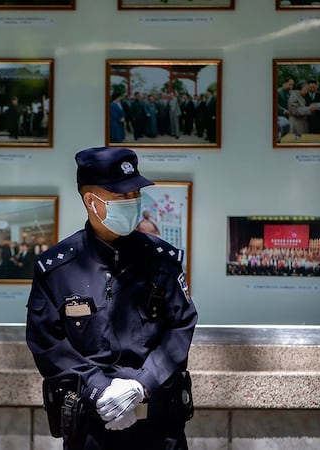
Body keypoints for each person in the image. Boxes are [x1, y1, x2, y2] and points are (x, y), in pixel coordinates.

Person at [26, 146, 198, 450]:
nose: (133, 203)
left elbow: (180, 327)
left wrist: (141, 385)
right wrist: (98, 389)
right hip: (92, 429)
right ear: (92, 202)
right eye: (122, 197)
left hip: (159, 427)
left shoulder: (162, 261)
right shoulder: (58, 270)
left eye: (135, 195)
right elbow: (47, 342)